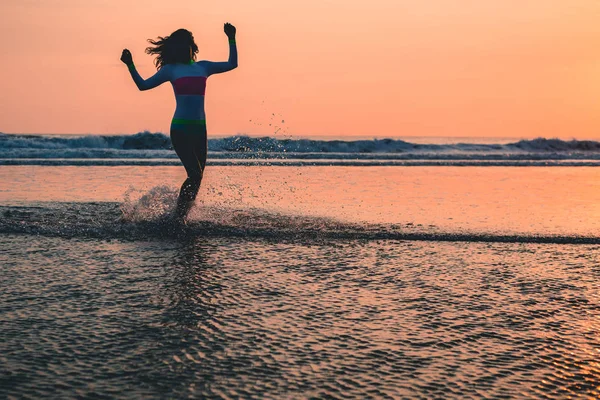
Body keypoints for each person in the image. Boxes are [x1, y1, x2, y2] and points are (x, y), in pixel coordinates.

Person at [120, 23, 238, 223]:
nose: (185, 49)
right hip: (180, 129)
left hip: (200, 130)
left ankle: (181, 217)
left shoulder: (204, 67)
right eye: (181, 46)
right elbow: (143, 86)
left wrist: (231, 38)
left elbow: (232, 64)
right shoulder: (170, 70)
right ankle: (177, 217)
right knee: (194, 174)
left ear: (192, 46)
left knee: (198, 177)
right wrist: (130, 64)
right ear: (176, 49)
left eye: (188, 45)